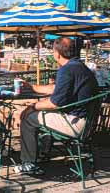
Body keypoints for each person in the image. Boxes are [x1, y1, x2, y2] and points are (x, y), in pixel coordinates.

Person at [13, 37, 98, 175]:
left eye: (53, 51)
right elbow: (57, 89)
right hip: (85, 122)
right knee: (40, 114)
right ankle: (43, 153)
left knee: (29, 118)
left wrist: (32, 107)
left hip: (74, 123)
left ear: (57, 53)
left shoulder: (67, 70)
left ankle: (29, 164)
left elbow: (54, 103)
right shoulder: (79, 67)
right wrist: (32, 87)